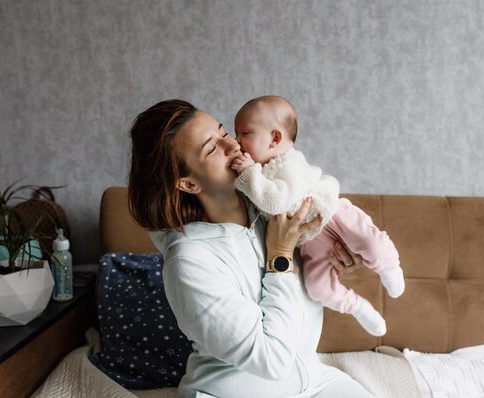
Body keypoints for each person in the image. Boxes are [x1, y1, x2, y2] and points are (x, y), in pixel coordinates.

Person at [127, 99, 375, 398]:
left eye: (223, 132)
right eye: (211, 148)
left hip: (312, 381)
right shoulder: (189, 261)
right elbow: (271, 361)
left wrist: (333, 256)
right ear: (189, 184)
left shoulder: (272, 206)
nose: (232, 145)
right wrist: (279, 258)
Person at [231, 95, 405, 337]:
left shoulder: (288, 163)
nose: (237, 141)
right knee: (317, 288)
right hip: (310, 241)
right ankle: (356, 306)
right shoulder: (260, 172)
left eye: (244, 133)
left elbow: (277, 201)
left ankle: (390, 266)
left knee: (369, 242)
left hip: (330, 213)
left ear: (275, 138)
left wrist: (248, 173)